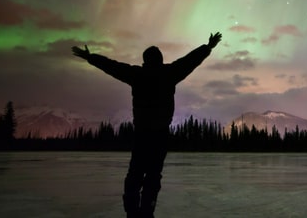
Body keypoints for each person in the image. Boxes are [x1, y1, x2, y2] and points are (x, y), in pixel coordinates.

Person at [72, 32, 222, 218]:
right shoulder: (169, 73)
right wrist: (208, 47)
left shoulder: (137, 74)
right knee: (152, 176)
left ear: (145, 60)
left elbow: (113, 67)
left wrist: (91, 57)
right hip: (159, 136)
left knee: (135, 174)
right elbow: (189, 61)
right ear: (160, 59)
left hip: (142, 135)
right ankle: (146, 211)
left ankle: (132, 212)